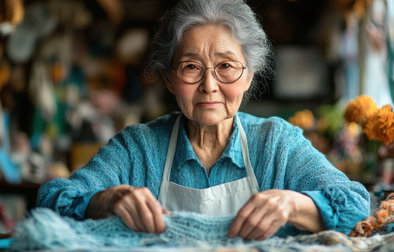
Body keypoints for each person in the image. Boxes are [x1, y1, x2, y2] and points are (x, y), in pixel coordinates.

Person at [37, 0, 369, 241]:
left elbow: (357, 208)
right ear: (169, 80)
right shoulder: (138, 148)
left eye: (226, 66)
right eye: (191, 67)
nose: (209, 85)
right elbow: (51, 202)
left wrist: (293, 203)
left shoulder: (276, 144)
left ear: (249, 76)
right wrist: (104, 200)